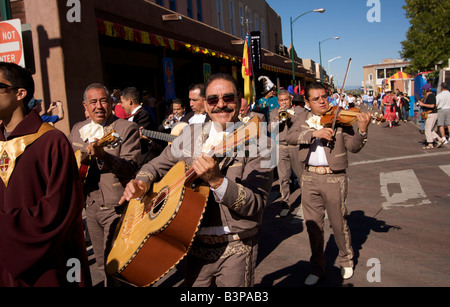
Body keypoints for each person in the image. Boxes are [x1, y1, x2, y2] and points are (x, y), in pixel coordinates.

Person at [120, 73, 274, 287]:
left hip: (236, 247)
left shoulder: (264, 143)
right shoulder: (189, 134)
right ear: (206, 104)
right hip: (192, 246)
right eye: (213, 99)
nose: (221, 105)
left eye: (228, 98)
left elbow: (256, 205)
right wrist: (142, 182)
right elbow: (155, 165)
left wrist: (218, 182)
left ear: (239, 101)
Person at [0, 62, 91, 287]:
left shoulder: (51, 141)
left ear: (20, 93)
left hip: (44, 262)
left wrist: (6, 228)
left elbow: (60, 209)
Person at [286, 82, 371, 286]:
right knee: (313, 226)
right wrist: (314, 133)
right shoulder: (300, 117)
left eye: (324, 97)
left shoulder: (340, 117)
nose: (322, 101)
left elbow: (354, 146)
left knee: (338, 222)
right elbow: (289, 137)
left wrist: (362, 130)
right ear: (307, 102)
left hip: (334, 177)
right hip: (308, 177)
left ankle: (346, 259)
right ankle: (317, 267)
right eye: (316, 99)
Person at [68, 83, 141, 286]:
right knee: (101, 264)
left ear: (111, 103)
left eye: (103, 100)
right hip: (90, 207)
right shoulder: (77, 130)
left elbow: (131, 167)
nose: (99, 106)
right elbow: (68, 162)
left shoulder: (126, 128)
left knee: (120, 265)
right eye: (93, 102)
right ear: (85, 105)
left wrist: (104, 157)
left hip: (117, 207)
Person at [269, 90, 304, 217]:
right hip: (281, 146)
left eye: (286, 100)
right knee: (284, 178)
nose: (284, 102)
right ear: (278, 101)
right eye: (281, 100)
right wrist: (278, 119)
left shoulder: (299, 112)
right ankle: (285, 203)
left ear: (291, 99)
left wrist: (291, 117)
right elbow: (270, 129)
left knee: (301, 175)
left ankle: (306, 201)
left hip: (295, 146)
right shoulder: (274, 113)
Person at [120, 87, 160, 166]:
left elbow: (133, 136)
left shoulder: (143, 114)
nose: (121, 106)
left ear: (130, 102)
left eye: (122, 102)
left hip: (145, 160)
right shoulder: (134, 116)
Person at [418, 84, 444, 149]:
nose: (422, 91)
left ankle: (430, 143)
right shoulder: (427, 96)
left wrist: (423, 104)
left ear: (426, 90)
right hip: (429, 114)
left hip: (431, 114)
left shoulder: (431, 96)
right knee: (430, 129)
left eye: (423, 90)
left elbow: (432, 106)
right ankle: (440, 139)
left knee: (427, 129)